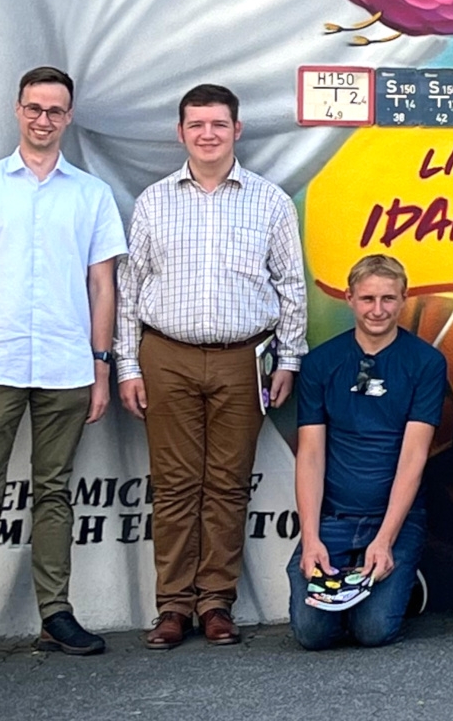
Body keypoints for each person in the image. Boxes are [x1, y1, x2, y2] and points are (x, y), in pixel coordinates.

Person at [0, 67, 126, 673]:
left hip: (66, 366)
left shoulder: (90, 194)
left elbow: (102, 288)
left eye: (55, 110)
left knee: (55, 493)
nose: (44, 119)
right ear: (17, 110)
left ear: (69, 117)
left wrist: (100, 368)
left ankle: (56, 615)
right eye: (34, 108)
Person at [116, 84, 308, 649]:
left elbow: (291, 286)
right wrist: (128, 364)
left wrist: (289, 358)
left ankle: (217, 602)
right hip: (166, 355)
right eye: (196, 124)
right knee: (175, 486)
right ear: (181, 132)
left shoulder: (269, 201)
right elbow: (130, 290)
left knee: (226, 485)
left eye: (218, 124)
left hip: (243, 359)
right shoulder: (154, 201)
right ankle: (173, 606)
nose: (207, 134)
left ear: (237, 131)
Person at [288, 255, 446, 649]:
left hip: (393, 519)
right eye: (368, 298)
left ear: (404, 299)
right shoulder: (321, 363)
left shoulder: (426, 362)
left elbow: (414, 458)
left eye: (389, 299)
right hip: (333, 518)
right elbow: (309, 455)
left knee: (373, 632)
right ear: (349, 298)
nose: (378, 310)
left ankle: (402, 581)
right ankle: (355, 584)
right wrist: (311, 539)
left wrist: (385, 539)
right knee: (312, 635)